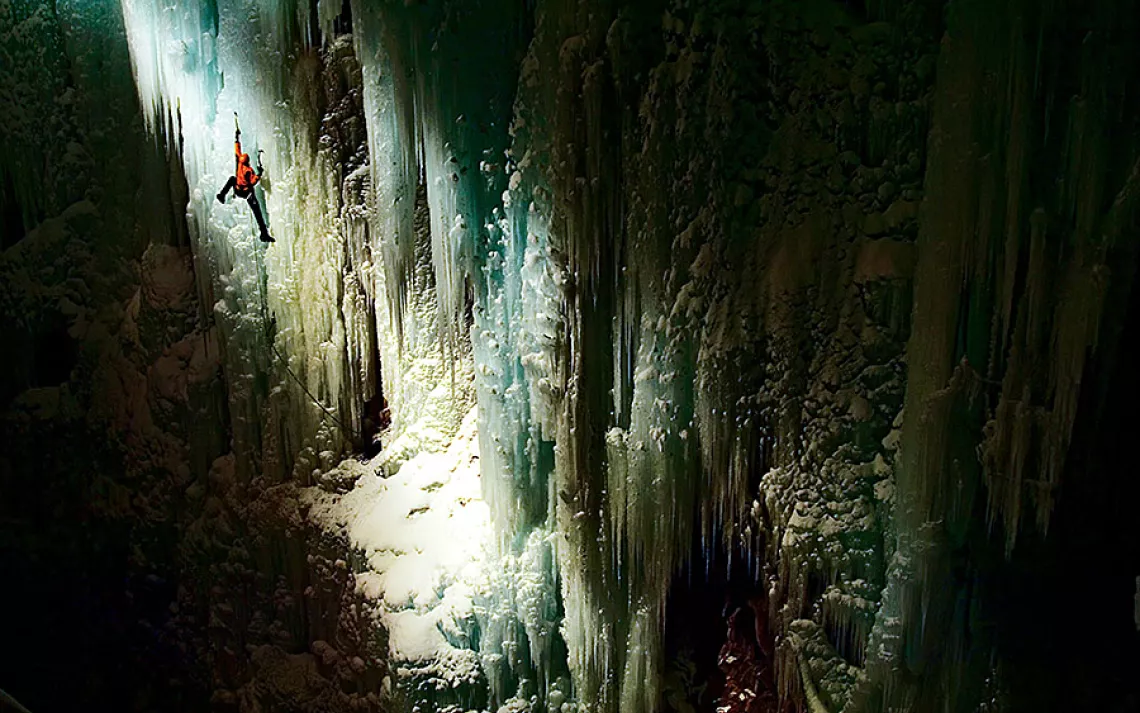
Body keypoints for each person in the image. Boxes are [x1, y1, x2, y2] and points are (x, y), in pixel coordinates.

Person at [216, 119, 274, 243]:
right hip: (247, 194)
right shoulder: (248, 170)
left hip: (237, 190)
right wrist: (260, 173)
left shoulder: (239, 163)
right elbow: (253, 181)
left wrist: (236, 137)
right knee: (257, 212)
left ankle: (222, 195)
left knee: (232, 179)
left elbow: (237, 151)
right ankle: (264, 233)